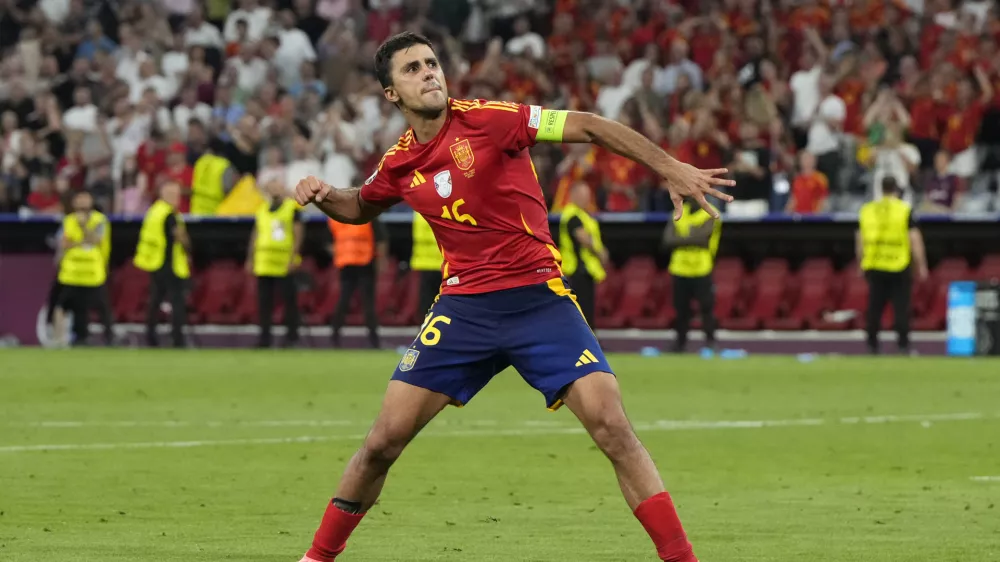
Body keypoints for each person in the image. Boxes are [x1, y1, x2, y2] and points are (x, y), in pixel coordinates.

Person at [294, 32, 733, 562]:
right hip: (463, 310)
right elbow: (359, 205)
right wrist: (322, 196)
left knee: (613, 427)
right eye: (412, 68)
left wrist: (670, 167)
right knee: (383, 442)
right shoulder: (400, 163)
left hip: (538, 301)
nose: (430, 73)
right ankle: (316, 557)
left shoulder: (491, 118)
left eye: (432, 62)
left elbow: (589, 126)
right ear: (391, 94)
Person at [856, 177, 928, 355]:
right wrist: (921, 265)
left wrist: (861, 263)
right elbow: (915, 240)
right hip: (899, 264)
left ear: (881, 189)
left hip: (875, 264)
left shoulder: (868, 210)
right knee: (901, 308)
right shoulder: (904, 210)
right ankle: (903, 346)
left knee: (874, 308)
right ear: (896, 189)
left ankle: (872, 346)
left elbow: (860, 240)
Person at [134, 181, 191, 348]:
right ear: (164, 195)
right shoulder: (170, 214)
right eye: (173, 194)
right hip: (169, 263)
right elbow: (180, 237)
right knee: (177, 302)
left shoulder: (153, 212)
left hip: (155, 263)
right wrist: (188, 247)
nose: (176, 198)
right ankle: (177, 339)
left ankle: (150, 337)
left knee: (155, 301)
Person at [247, 178, 303, 348]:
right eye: (271, 186)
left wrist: (294, 257)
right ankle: (265, 338)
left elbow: (298, 234)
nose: (274, 189)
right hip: (264, 263)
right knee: (264, 304)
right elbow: (255, 234)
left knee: (289, 302)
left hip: (283, 262)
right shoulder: (262, 209)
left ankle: (292, 337)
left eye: (277, 185)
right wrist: (250, 258)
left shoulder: (291, 208)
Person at [54, 190, 114, 346]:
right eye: (79, 198)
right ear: (74, 202)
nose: (82, 202)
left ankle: (110, 338)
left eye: (85, 198)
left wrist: (83, 227)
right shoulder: (68, 220)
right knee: (67, 305)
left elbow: (97, 240)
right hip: (72, 272)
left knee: (103, 307)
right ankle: (70, 339)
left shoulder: (100, 220)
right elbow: (64, 244)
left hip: (94, 271)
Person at [663, 200, 722, 353]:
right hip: (679, 268)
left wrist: (681, 239)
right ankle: (679, 344)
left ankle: (710, 342)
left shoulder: (711, 212)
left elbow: (703, 240)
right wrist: (693, 235)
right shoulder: (678, 210)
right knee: (681, 309)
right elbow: (667, 240)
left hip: (701, 268)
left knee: (706, 308)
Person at [327, 216, 388, 349]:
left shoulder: (336, 217)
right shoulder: (368, 216)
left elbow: (329, 242)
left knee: (354, 303)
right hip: (356, 264)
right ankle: (373, 341)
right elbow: (381, 240)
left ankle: (335, 338)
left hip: (359, 264)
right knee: (361, 304)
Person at [557, 181, 607, 326]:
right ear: (573, 195)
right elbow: (583, 238)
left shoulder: (582, 215)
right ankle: (586, 344)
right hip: (577, 270)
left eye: (588, 195)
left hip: (586, 270)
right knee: (582, 311)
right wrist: (601, 253)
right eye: (582, 195)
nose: (586, 199)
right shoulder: (573, 215)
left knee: (587, 310)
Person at [410, 211, 444, 318]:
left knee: (426, 301)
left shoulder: (418, 212)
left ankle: (424, 326)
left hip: (425, 262)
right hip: (442, 264)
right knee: (443, 301)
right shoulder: (445, 210)